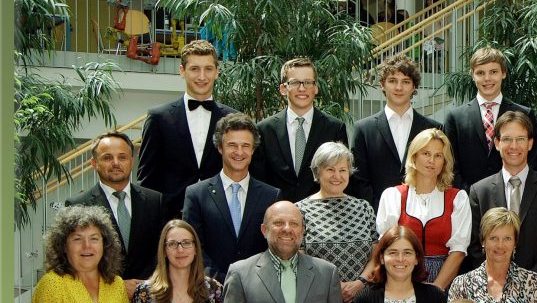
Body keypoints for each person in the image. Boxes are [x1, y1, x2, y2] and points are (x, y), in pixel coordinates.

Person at [466, 111, 537, 290]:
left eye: (520, 139)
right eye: (507, 139)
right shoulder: (479, 192)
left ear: (530, 143)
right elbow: (475, 246)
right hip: (492, 291)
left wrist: (529, 285)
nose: (514, 146)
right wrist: (497, 282)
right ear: (497, 143)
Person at [137, 39, 237, 218]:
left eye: (208, 69)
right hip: (171, 219)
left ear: (217, 72)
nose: (202, 76)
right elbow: (147, 180)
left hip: (221, 218)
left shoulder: (233, 119)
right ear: (182, 71)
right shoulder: (158, 118)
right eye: (194, 69)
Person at [182, 113, 281, 283]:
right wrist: (219, 280)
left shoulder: (271, 196)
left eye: (245, 145)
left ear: (253, 149)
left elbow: (275, 245)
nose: (239, 152)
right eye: (232, 145)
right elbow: (192, 245)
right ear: (220, 147)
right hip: (210, 288)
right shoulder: (196, 194)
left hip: (259, 286)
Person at [65, 131, 166, 292]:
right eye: (107, 158)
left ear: (132, 161)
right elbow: (75, 259)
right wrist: (118, 286)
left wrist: (144, 286)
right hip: (100, 295)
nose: (116, 163)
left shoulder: (154, 200)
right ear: (94, 163)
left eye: (122, 157)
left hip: (148, 294)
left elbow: (161, 251)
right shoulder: (78, 205)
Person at [376, 128, 471, 289]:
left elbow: (458, 251)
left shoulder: (458, 199)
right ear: (414, 157)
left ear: (444, 162)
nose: (431, 160)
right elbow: (386, 247)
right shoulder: (393, 196)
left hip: (443, 279)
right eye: (426, 153)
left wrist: (436, 290)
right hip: (400, 276)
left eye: (438, 155)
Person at [443, 46, 537, 191]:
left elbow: (535, 159)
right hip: (468, 198)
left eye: (493, 72)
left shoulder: (525, 114)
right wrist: (471, 195)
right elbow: (450, 164)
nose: (487, 78)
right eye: (480, 73)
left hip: (515, 195)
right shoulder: (455, 118)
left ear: (504, 73)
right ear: (472, 75)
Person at [251, 57, 349, 203]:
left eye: (308, 82)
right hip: (278, 212)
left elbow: (341, 176)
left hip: (322, 211)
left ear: (316, 88)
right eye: (295, 82)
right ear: (283, 88)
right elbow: (259, 179)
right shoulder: (264, 129)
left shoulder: (334, 128)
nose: (302, 88)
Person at [349, 56, 441, 210]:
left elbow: (440, 173)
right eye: (392, 81)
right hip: (376, 215)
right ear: (382, 84)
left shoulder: (433, 129)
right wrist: (381, 212)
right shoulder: (363, 129)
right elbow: (358, 179)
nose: (399, 87)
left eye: (405, 82)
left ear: (414, 87)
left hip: (425, 213)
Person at [295, 142, 378, 303]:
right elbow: (298, 258)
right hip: (319, 301)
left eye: (343, 170)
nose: (337, 176)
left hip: (362, 300)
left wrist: (360, 283)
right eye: (330, 169)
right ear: (317, 172)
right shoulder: (299, 210)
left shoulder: (363, 208)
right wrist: (333, 287)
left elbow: (376, 255)